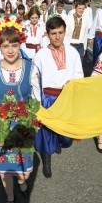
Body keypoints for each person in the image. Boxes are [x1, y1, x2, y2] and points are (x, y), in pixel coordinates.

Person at [0, 25, 40, 203]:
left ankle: (22, 182)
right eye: (5, 46)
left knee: (22, 167)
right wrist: (1, 110)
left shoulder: (31, 68)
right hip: (2, 126)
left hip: (23, 126)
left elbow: (37, 98)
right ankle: (10, 197)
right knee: (5, 168)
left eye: (14, 45)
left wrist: (26, 113)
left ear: (20, 44)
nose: (10, 50)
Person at [33, 17, 84, 178]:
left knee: (66, 136)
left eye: (60, 32)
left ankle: (59, 142)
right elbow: (34, 79)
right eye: (53, 33)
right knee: (46, 132)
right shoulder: (41, 55)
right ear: (47, 34)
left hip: (66, 98)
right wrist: (37, 103)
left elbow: (78, 73)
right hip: (47, 97)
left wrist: (74, 81)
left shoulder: (72, 52)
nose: (57, 36)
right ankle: (47, 161)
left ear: (65, 31)